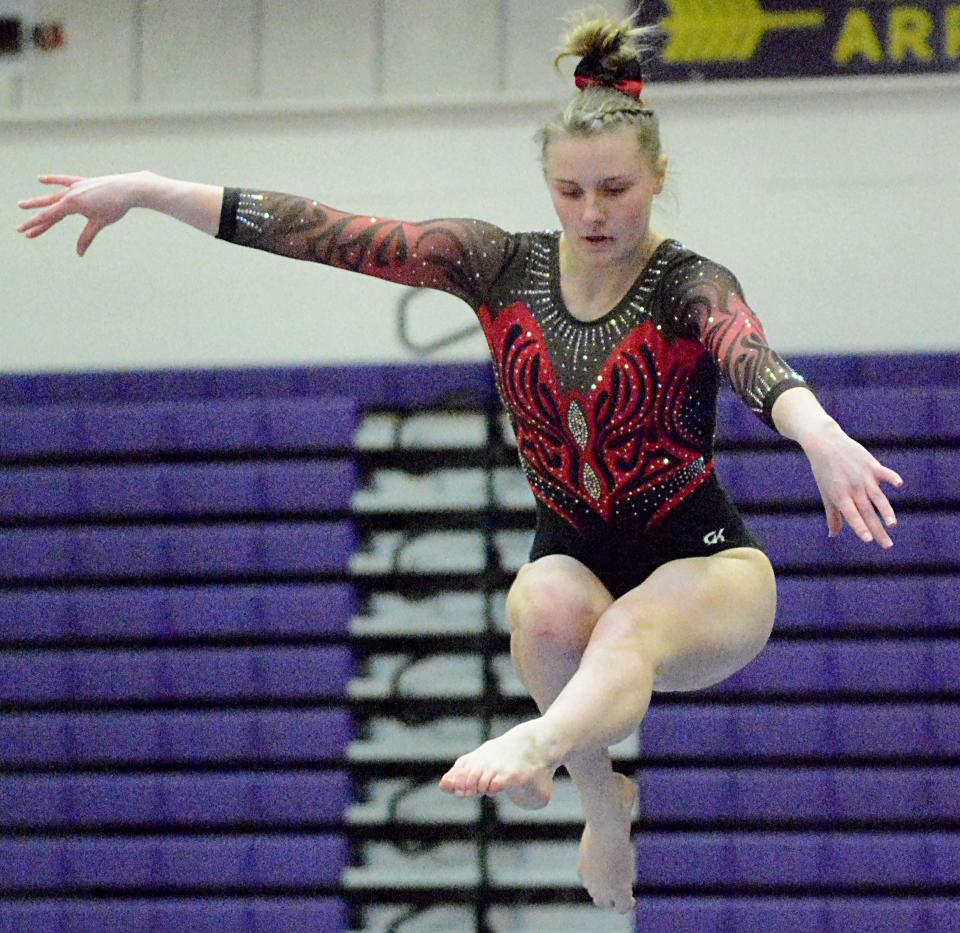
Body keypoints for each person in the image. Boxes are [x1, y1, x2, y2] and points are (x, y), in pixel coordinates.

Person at [16, 8, 903, 915]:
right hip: (577, 561)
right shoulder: (498, 266)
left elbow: (747, 349)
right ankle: (604, 799)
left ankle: (542, 746)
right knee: (543, 602)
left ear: (656, 179)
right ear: (547, 184)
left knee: (628, 631)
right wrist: (148, 187)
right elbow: (327, 231)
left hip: (707, 566)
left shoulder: (686, 282)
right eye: (570, 190)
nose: (593, 214)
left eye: (615, 190)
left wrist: (818, 431)